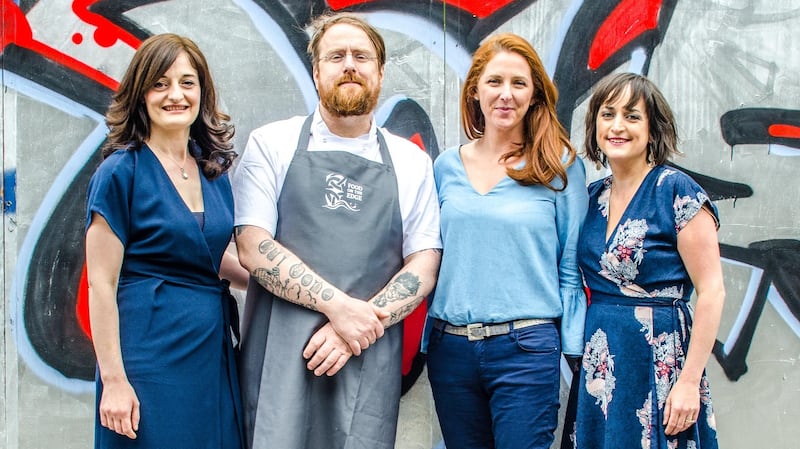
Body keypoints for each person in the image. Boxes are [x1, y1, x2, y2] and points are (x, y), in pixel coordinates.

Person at [232, 12, 442, 449]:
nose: (350, 64)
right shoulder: (271, 143)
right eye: (336, 55)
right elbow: (252, 246)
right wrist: (340, 309)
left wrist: (355, 327)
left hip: (367, 352)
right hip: (279, 351)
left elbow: (424, 262)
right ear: (316, 71)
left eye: (361, 56)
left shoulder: (411, 161)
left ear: (380, 72)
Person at [425, 33, 588, 449]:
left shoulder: (559, 167)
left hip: (526, 350)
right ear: (475, 90)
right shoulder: (445, 166)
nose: (506, 94)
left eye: (519, 83)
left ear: (534, 96)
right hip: (452, 350)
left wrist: (572, 351)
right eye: (495, 81)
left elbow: (570, 267)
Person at [85, 33, 245, 449]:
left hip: (209, 350)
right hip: (147, 355)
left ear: (202, 92)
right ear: (141, 94)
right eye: (160, 83)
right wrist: (115, 381)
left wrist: (279, 283)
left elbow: (208, 254)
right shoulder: (121, 172)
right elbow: (100, 284)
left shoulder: (213, 170)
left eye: (187, 82)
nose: (176, 94)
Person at [574, 72, 724, 448]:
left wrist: (688, 381)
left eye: (632, 116)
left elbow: (712, 291)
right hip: (602, 363)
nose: (617, 126)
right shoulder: (590, 197)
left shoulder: (676, 192)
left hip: (660, 359)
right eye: (607, 115)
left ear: (652, 129)